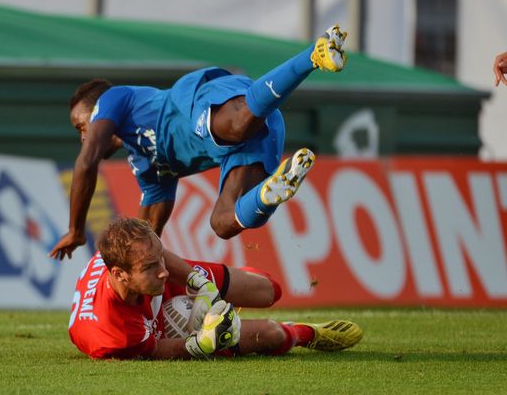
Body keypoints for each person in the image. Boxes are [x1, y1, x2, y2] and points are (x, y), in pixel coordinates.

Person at [50, 25, 349, 261]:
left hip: (204, 99)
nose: (82, 136)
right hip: (245, 141)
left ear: (98, 109)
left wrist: (76, 230)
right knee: (223, 223)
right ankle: (269, 195)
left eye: (81, 125)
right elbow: (148, 233)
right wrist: (122, 270)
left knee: (237, 126)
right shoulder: (145, 166)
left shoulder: (115, 99)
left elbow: (86, 162)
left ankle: (314, 54)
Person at [68, 217, 363, 359]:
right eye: (149, 267)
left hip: (159, 291)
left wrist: (200, 284)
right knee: (272, 334)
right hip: (149, 328)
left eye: (160, 258)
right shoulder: (113, 334)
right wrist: (201, 343)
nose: (163, 270)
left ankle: (225, 299)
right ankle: (304, 333)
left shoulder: (145, 262)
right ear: (119, 275)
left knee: (269, 290)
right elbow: (157, 349)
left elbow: (157, 260)